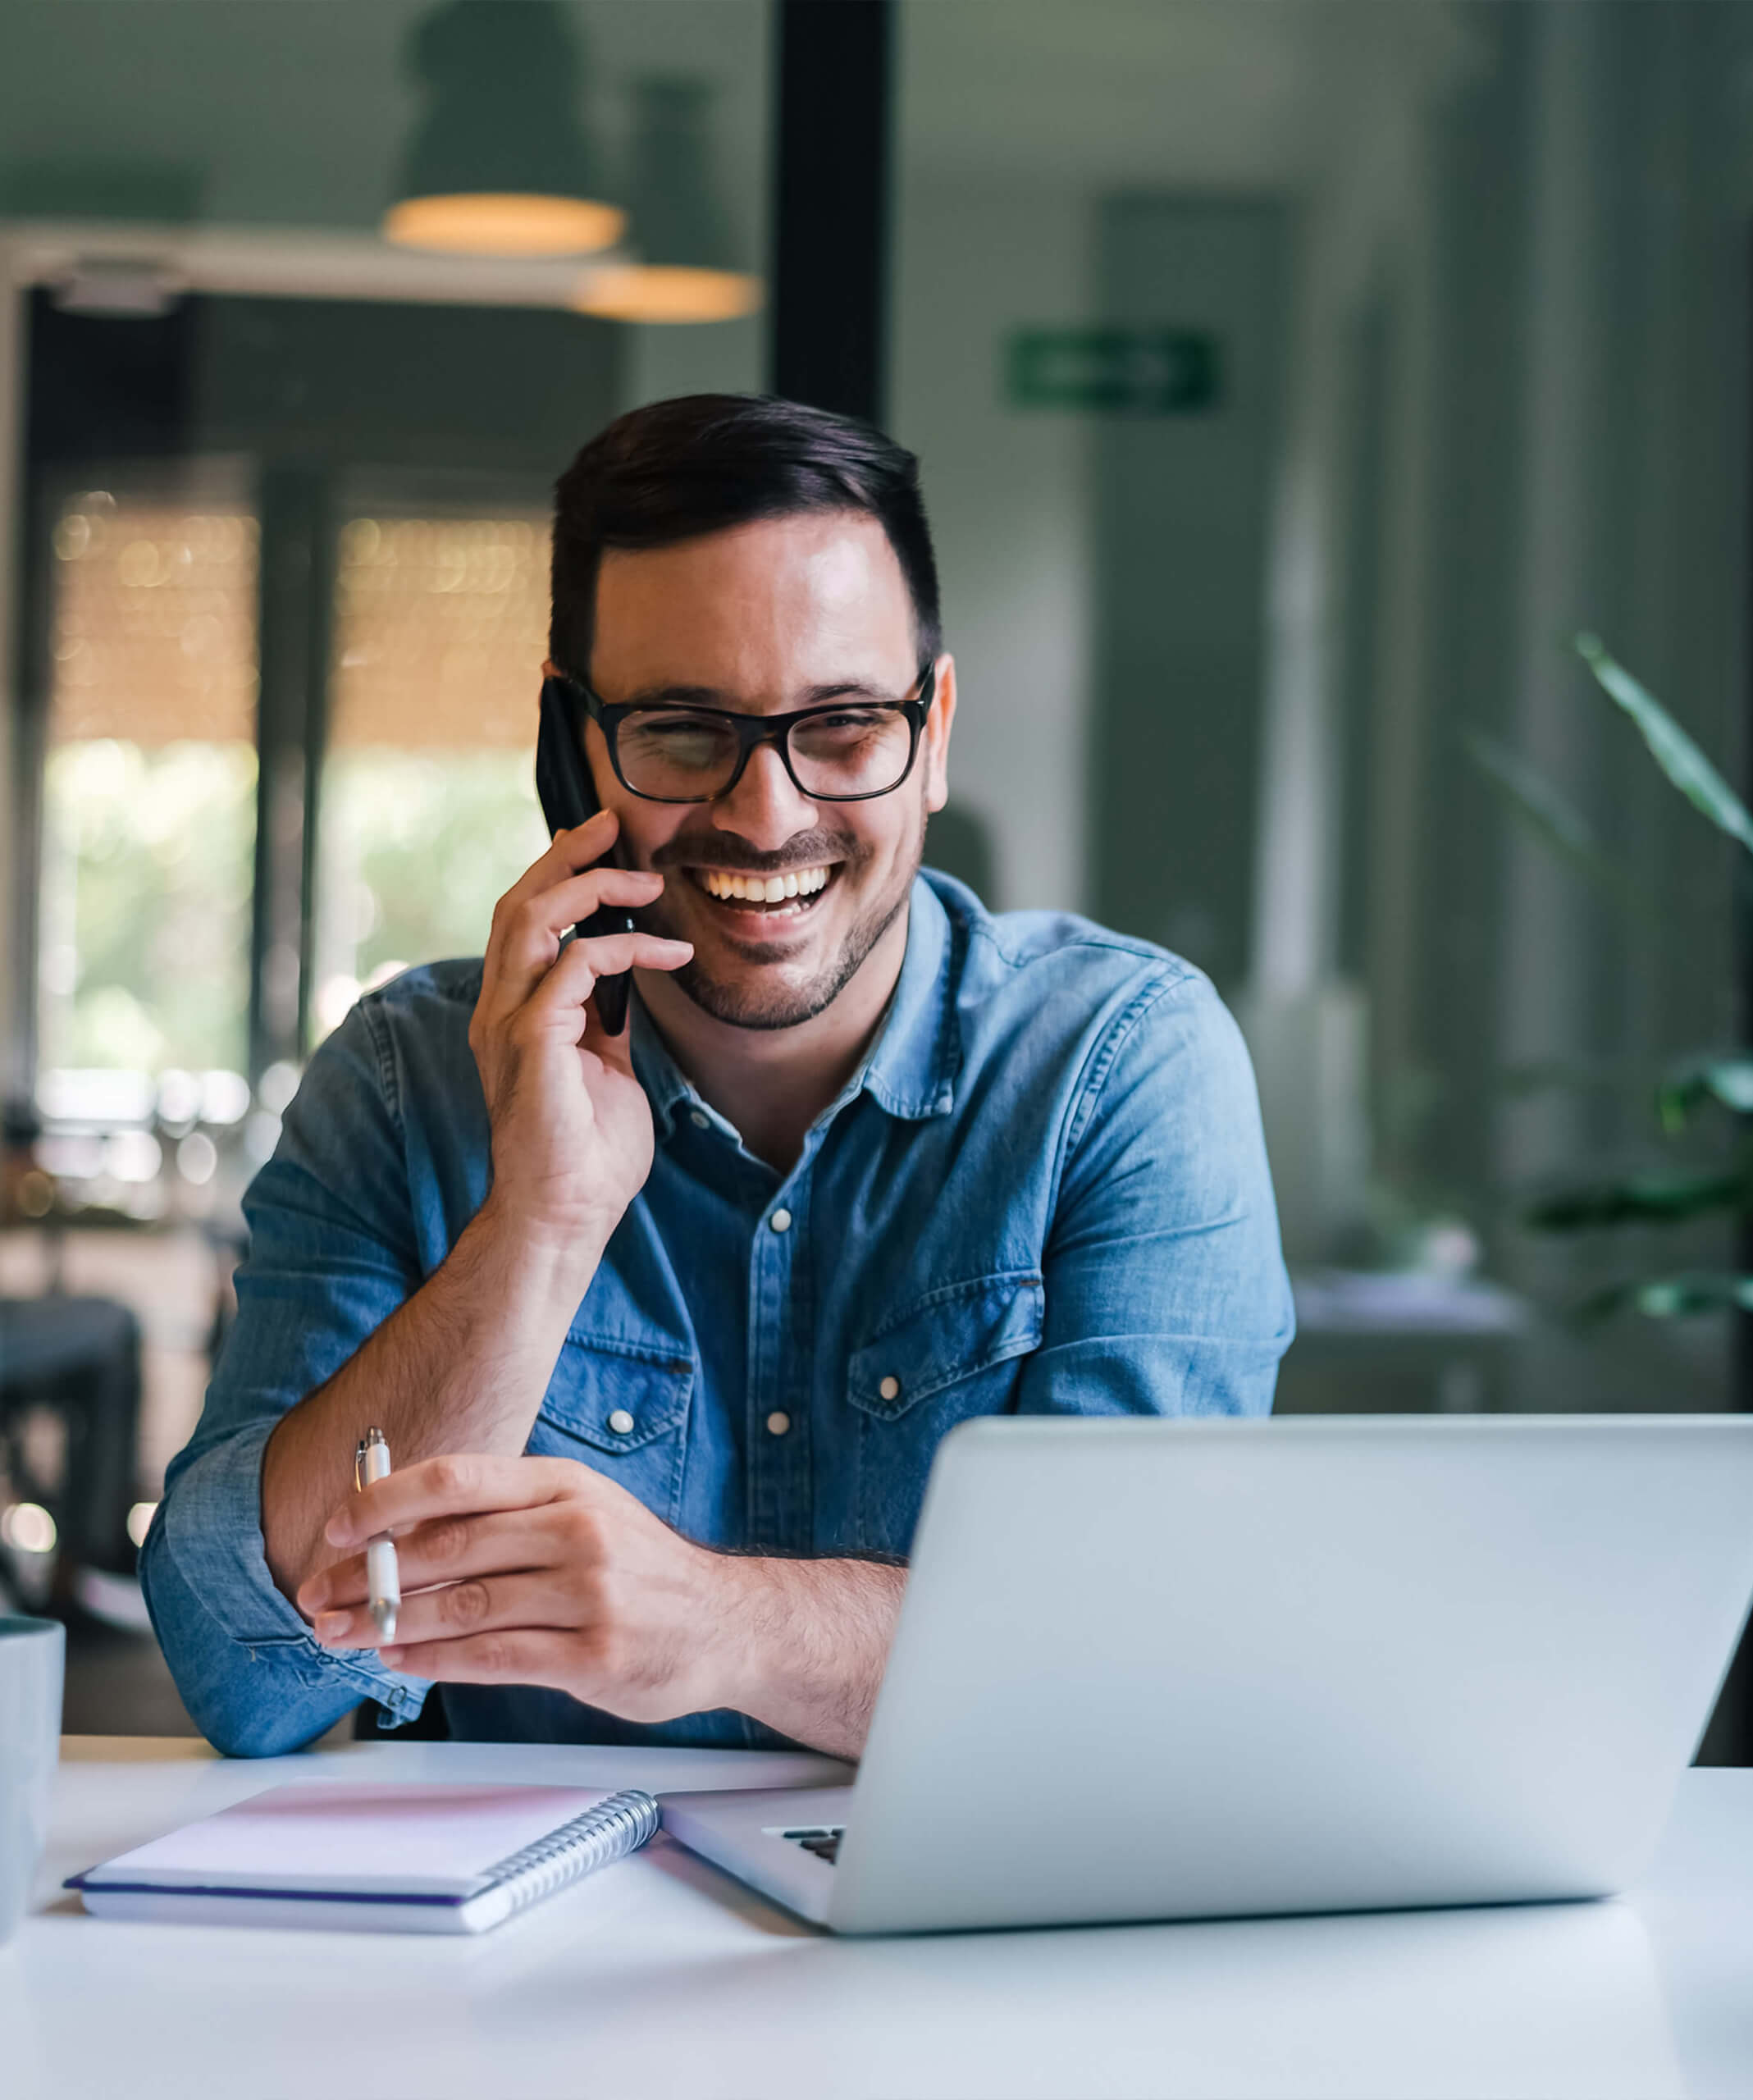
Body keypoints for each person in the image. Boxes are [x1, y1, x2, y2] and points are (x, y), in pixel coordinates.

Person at [142, 395, 1294, 1759]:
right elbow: (242, 1676)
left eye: (845, 726)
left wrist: (714, 1624)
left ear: (934, 732)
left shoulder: (1121, 1067)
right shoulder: (405, 1081)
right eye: (685, 731)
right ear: (575, 747)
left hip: (971, 1956)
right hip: (523, 1960)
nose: (767, 813)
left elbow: (1139, 1667)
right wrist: (540, 1229)